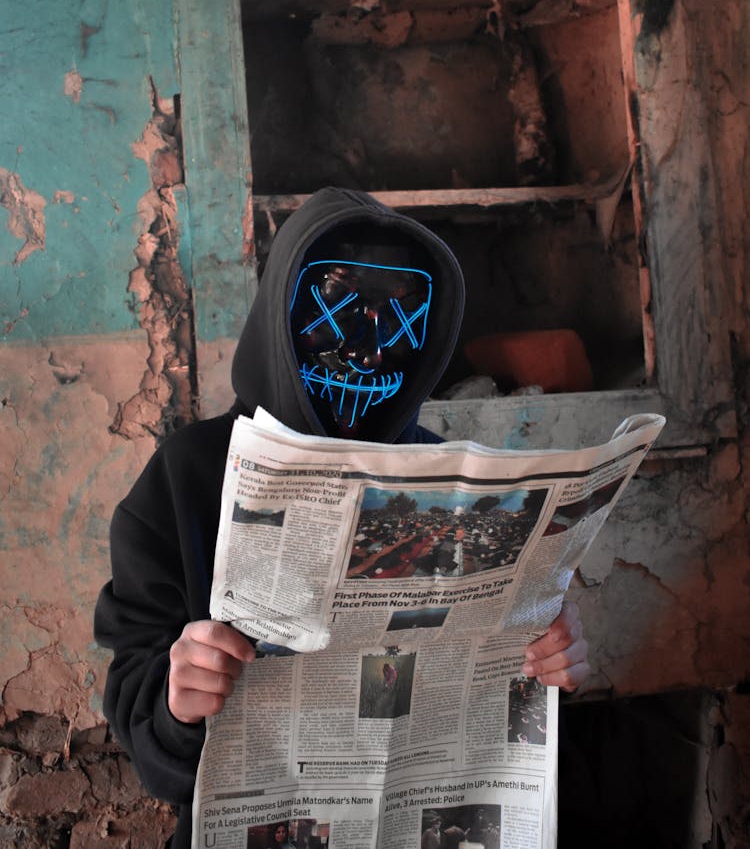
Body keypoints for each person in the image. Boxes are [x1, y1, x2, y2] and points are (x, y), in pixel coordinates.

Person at [94, 187, 590, 849]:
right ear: (280, 314)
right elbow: (143, 726)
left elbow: (510, 713)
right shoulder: (184, 477)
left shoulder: (456, 488)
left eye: (400, 320)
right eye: (336, 311)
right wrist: (176, 700)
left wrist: (551, 655)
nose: (367, 352)